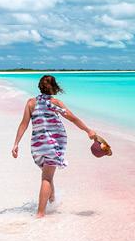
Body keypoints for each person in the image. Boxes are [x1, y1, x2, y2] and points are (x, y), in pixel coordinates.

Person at [11, 74, 96, 218]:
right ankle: (40, 213)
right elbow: (73, 118)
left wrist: (16, 143)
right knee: (46, 178)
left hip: (37, 145)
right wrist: (88, 130)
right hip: (53, 144)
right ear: (54, 87)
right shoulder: (56, 102)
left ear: (39, 87)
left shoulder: (31, 103)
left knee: (48, 175)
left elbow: (24, 124)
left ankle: (52, 201)